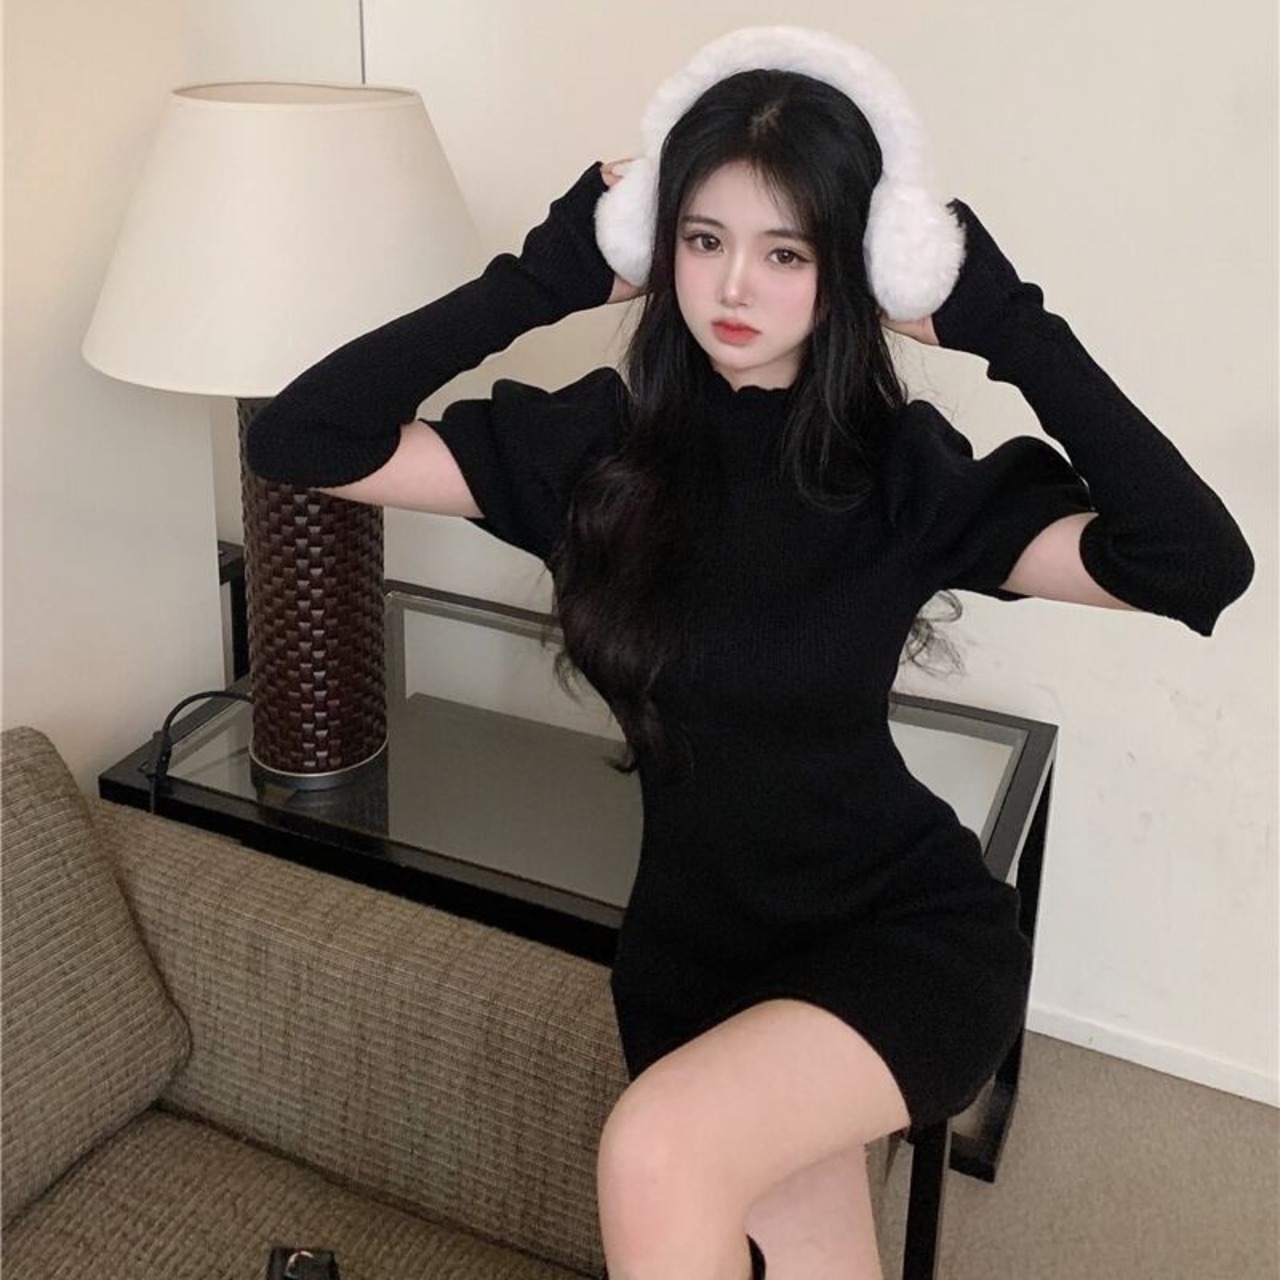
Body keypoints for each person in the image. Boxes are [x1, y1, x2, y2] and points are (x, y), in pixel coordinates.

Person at [244, 30, 1254, 1280]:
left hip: (900, 934)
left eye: (786, 252)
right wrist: (539, 277)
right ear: (651, 246)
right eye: (701, 238)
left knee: (658, 1151)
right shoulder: (594, 456)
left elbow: (1192, 562)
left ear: (856, 269)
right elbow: (301, 438)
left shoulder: (900, 475)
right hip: (690, 959)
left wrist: (1005, 321)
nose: (732, 285)